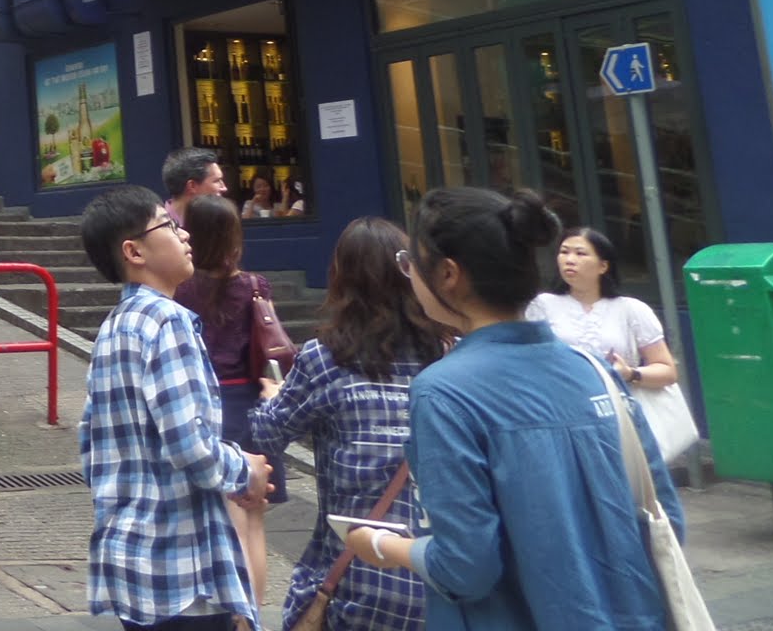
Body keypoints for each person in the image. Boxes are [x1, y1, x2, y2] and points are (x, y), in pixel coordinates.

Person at [345, 188, 684, 629]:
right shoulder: (595, 371)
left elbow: (466, 566)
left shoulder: (444, 392)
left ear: (449, 274)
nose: (409, 276)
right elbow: (665, 521)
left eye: (411, 263)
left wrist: (381, 546)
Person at [78, 184, 268, 631]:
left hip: (131, 561)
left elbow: (91, 445)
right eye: (169, 226)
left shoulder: (115, 327)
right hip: (181, 571)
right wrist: (247, 470)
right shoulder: (167, 321)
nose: (185, 235)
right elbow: (191, 447)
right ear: (134, 251)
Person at [248, 217, 446, 631]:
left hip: (359, 577)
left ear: (342, 279)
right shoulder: (448, 354)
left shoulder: (326, 358)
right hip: (441, 572)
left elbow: (269, 434)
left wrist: (270, 400)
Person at [174, 195, 285, 609]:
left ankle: (233, 612)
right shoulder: (256, 286)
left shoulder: (181, 290)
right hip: (252, 403)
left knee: (227, 518)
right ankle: (252, 614)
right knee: (253, 517)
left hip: (208, 405)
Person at [527, 226, 689, 460]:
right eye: (564, 252)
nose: (569, 260)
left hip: (619, 417)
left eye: (581, 253)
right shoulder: (542, 306)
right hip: (561, 415)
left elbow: (667, 370)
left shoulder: (631, 309)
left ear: (603, 266)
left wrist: (630, 373)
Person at [160, 145, 226, 227]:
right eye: (216, 181)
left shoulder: (218, 223)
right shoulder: (155, 228)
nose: (224, 188)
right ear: (192, 186)